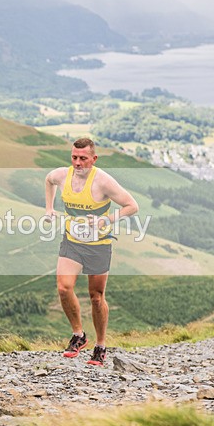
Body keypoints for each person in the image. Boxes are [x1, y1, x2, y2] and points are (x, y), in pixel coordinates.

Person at [44, 138, 138, 366]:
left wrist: (106, 219)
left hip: (98, 246)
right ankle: (79, 335)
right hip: (72, 241)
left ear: (93, 159)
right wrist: (49, 208)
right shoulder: (62, 175)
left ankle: (101, 345)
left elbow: (132, 206)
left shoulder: (103, 181)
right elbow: (48, 180)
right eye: (74, 157)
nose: (77, 163)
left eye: (83, 159)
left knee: (96, 297)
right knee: (63, 288)